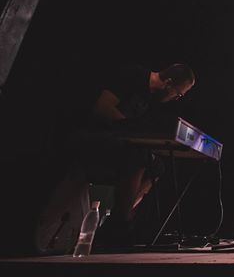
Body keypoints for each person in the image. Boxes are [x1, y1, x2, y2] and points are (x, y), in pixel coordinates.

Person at [76, 63, 196, 248]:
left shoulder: (151, 98)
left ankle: (119, 218)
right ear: (168, 83)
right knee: (137, 156)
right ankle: (121, 225)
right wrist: (131, 129)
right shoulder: (132, 77)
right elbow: (102, 106)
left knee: (157, 166)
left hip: (118, 145)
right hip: (92, 137)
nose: (176, 98)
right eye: (178, 94)